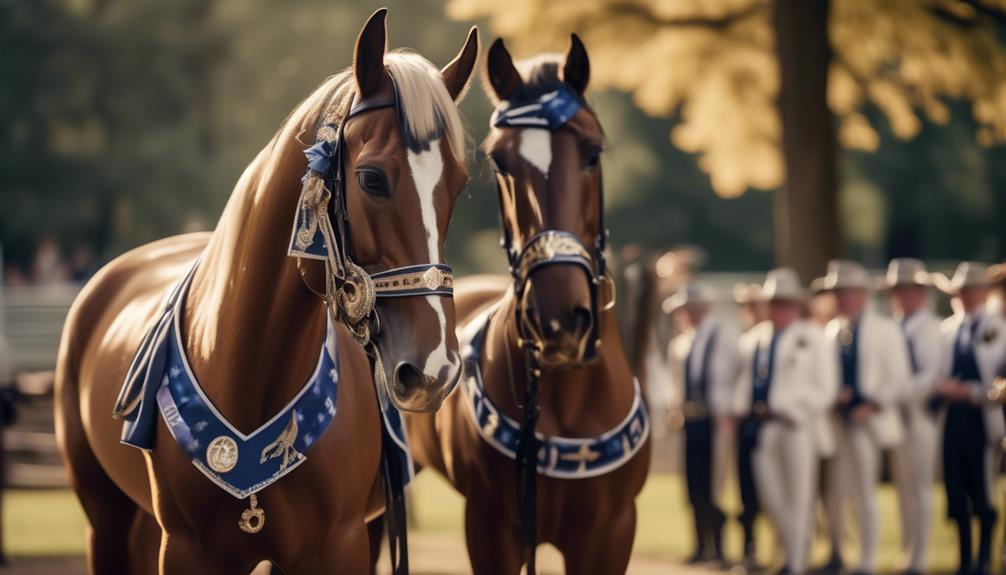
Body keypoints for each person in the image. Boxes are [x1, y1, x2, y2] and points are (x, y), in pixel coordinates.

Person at [733, 268, 838, 575]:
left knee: (800, 496)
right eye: (774, 303)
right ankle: (791, 553)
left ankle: (796, 562)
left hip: (796, 425)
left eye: (784, 303)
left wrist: (799, 409)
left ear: (795, 305)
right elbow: (745, 381)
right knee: (771, 496)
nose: (779, 310)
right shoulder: (755, 338)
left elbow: (825, 387)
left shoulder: (811, 337)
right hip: (762, 426)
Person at [819, 260, 911, 575]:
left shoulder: (884, 330)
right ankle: (837, 552)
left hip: (868, 421)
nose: (842, 299)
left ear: (862, 295)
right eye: (838, 293)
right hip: (840, 422)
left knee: (865, 491)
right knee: (836, 492)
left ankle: (867, 560)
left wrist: (870, 403)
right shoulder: (833, 331)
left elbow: (898, 378)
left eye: (847, 293)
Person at [931, 262, 1006, 575]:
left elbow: (1000, 377)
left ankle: (984, 556)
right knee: (957, 489)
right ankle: (964, 558)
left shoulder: (998, 328)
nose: (966, 297)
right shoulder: (947, 329)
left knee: (983, 489)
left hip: (983, 417)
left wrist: (974, 392)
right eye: (961, 291)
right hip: (952, 420)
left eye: (972, 291)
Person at [665, 284, 741, 566]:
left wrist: (731, 409)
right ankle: (700, 544)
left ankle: (719, 548)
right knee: (693, 484)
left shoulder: (724, 336)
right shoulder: (681, 344)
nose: (688, 315)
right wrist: (674, 409)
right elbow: (675, 382)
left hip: (716, 418)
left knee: (715, 483)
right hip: (691, 419)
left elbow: (737, 373)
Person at [882, 258, 942, 575]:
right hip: (897, 416)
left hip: (919, 415)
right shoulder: (895, 325)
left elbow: (930, 377)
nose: (902, 296)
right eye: (898, 290)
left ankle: (919, 554)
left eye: (908, 290)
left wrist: (894, 390)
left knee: (919, 487)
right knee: (903, 487)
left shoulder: (927, 327)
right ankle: (907, 551)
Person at [732, 282, 768, 565]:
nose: (749, 312)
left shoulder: (775, 339)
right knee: (746, 491)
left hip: (771, 422)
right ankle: (750, 547)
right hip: (747, 424)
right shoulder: (747, 341)